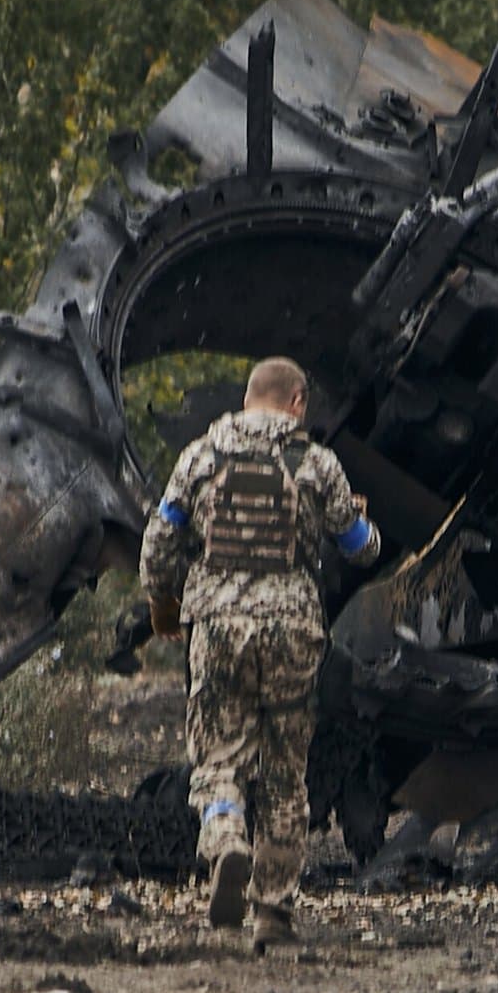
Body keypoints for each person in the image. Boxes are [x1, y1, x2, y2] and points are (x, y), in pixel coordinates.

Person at [139, 356, 381, 953]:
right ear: (297, 402)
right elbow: (360, 548)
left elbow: (158, 544)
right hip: (293, 631)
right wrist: (364, 524)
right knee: (284, 773)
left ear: (250, 398)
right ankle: (272, 911)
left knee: (219, 755)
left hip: (218, 627)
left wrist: (165, 608)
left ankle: (225, 841)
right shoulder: (316, 464)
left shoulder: (201, 456)